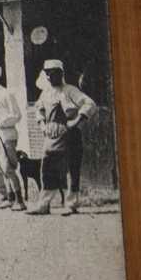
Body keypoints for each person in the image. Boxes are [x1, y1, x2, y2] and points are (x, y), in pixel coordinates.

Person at [27, 59, 97, 216]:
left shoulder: (70, 90)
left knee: (71, 169)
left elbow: (89, 104)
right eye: (48, 74)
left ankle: (71, 204)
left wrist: (76, 121)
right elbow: (38, 109)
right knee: (47, 169)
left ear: (61, 73)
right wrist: (42, 125)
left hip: (69, 135)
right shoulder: (46, 92)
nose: (51, 77)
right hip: (51, 136)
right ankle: (44, 204)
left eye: (55, 73)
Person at [0, 63, 26, 211]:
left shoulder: (7, 94)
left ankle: (20, 200)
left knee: (8, 168)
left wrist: (0, 122)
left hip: (7, 136)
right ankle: (10, 198)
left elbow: (17, 115)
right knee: (1, 168)